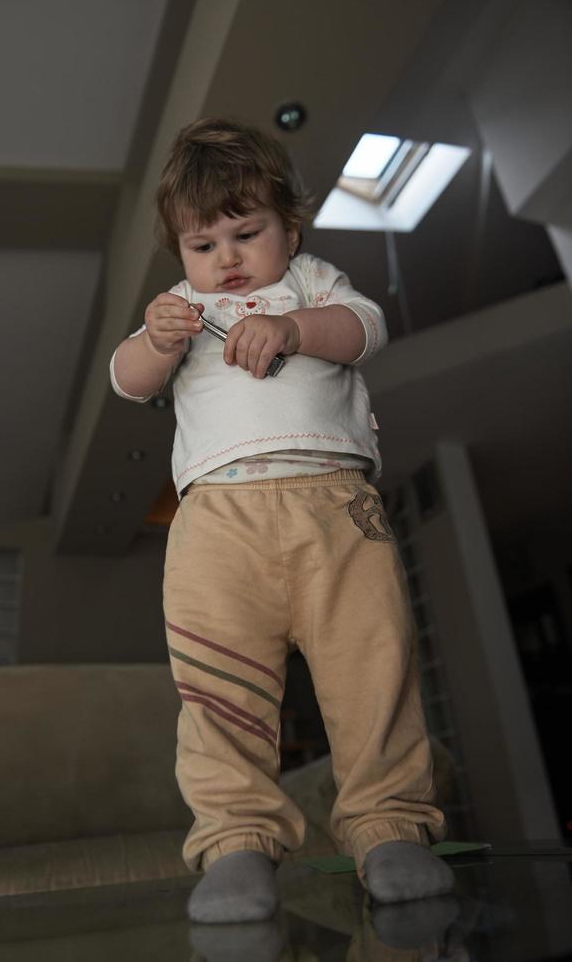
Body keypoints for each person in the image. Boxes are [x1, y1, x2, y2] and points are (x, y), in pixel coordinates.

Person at [110, 118, 454, 924]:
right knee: (218, 692)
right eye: (203, 245)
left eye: (246, 233)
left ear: (288, 230)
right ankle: (236, 843)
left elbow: (367, 327)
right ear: (181, 256)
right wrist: (156, 343)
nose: (226, 260)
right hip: (216, 525)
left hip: (333, 509)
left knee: (374, 670)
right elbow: (128, 380)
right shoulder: (183, 310)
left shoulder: (310, 280)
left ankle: (390, 825)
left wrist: (295, 328)